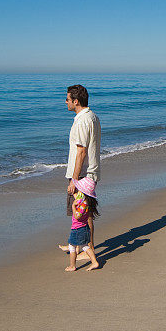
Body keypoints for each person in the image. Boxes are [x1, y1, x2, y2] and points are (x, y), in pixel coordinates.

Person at [59, 84, 101, 256]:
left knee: (84, 213)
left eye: (67, 99)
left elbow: (81, 151)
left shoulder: (83, 120)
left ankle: (88, 248)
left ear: (76, 101)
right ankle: (76, 245)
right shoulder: (91, 117)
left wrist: (74, 180)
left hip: (83, 174)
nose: (65, 102)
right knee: (81, 213)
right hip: (87, 173)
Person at [65, 177, 100, 271]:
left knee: (72, 246)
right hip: (84, 228)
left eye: (79, 189)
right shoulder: (85, 202)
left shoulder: (83, 205)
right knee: (85, 246)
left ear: (83, 192)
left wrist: (73, 206)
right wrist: (72, 192)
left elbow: (77, 216)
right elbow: (77, 197)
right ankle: (94, 262)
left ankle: (72, 266)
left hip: (78, 229)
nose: (78, 191)